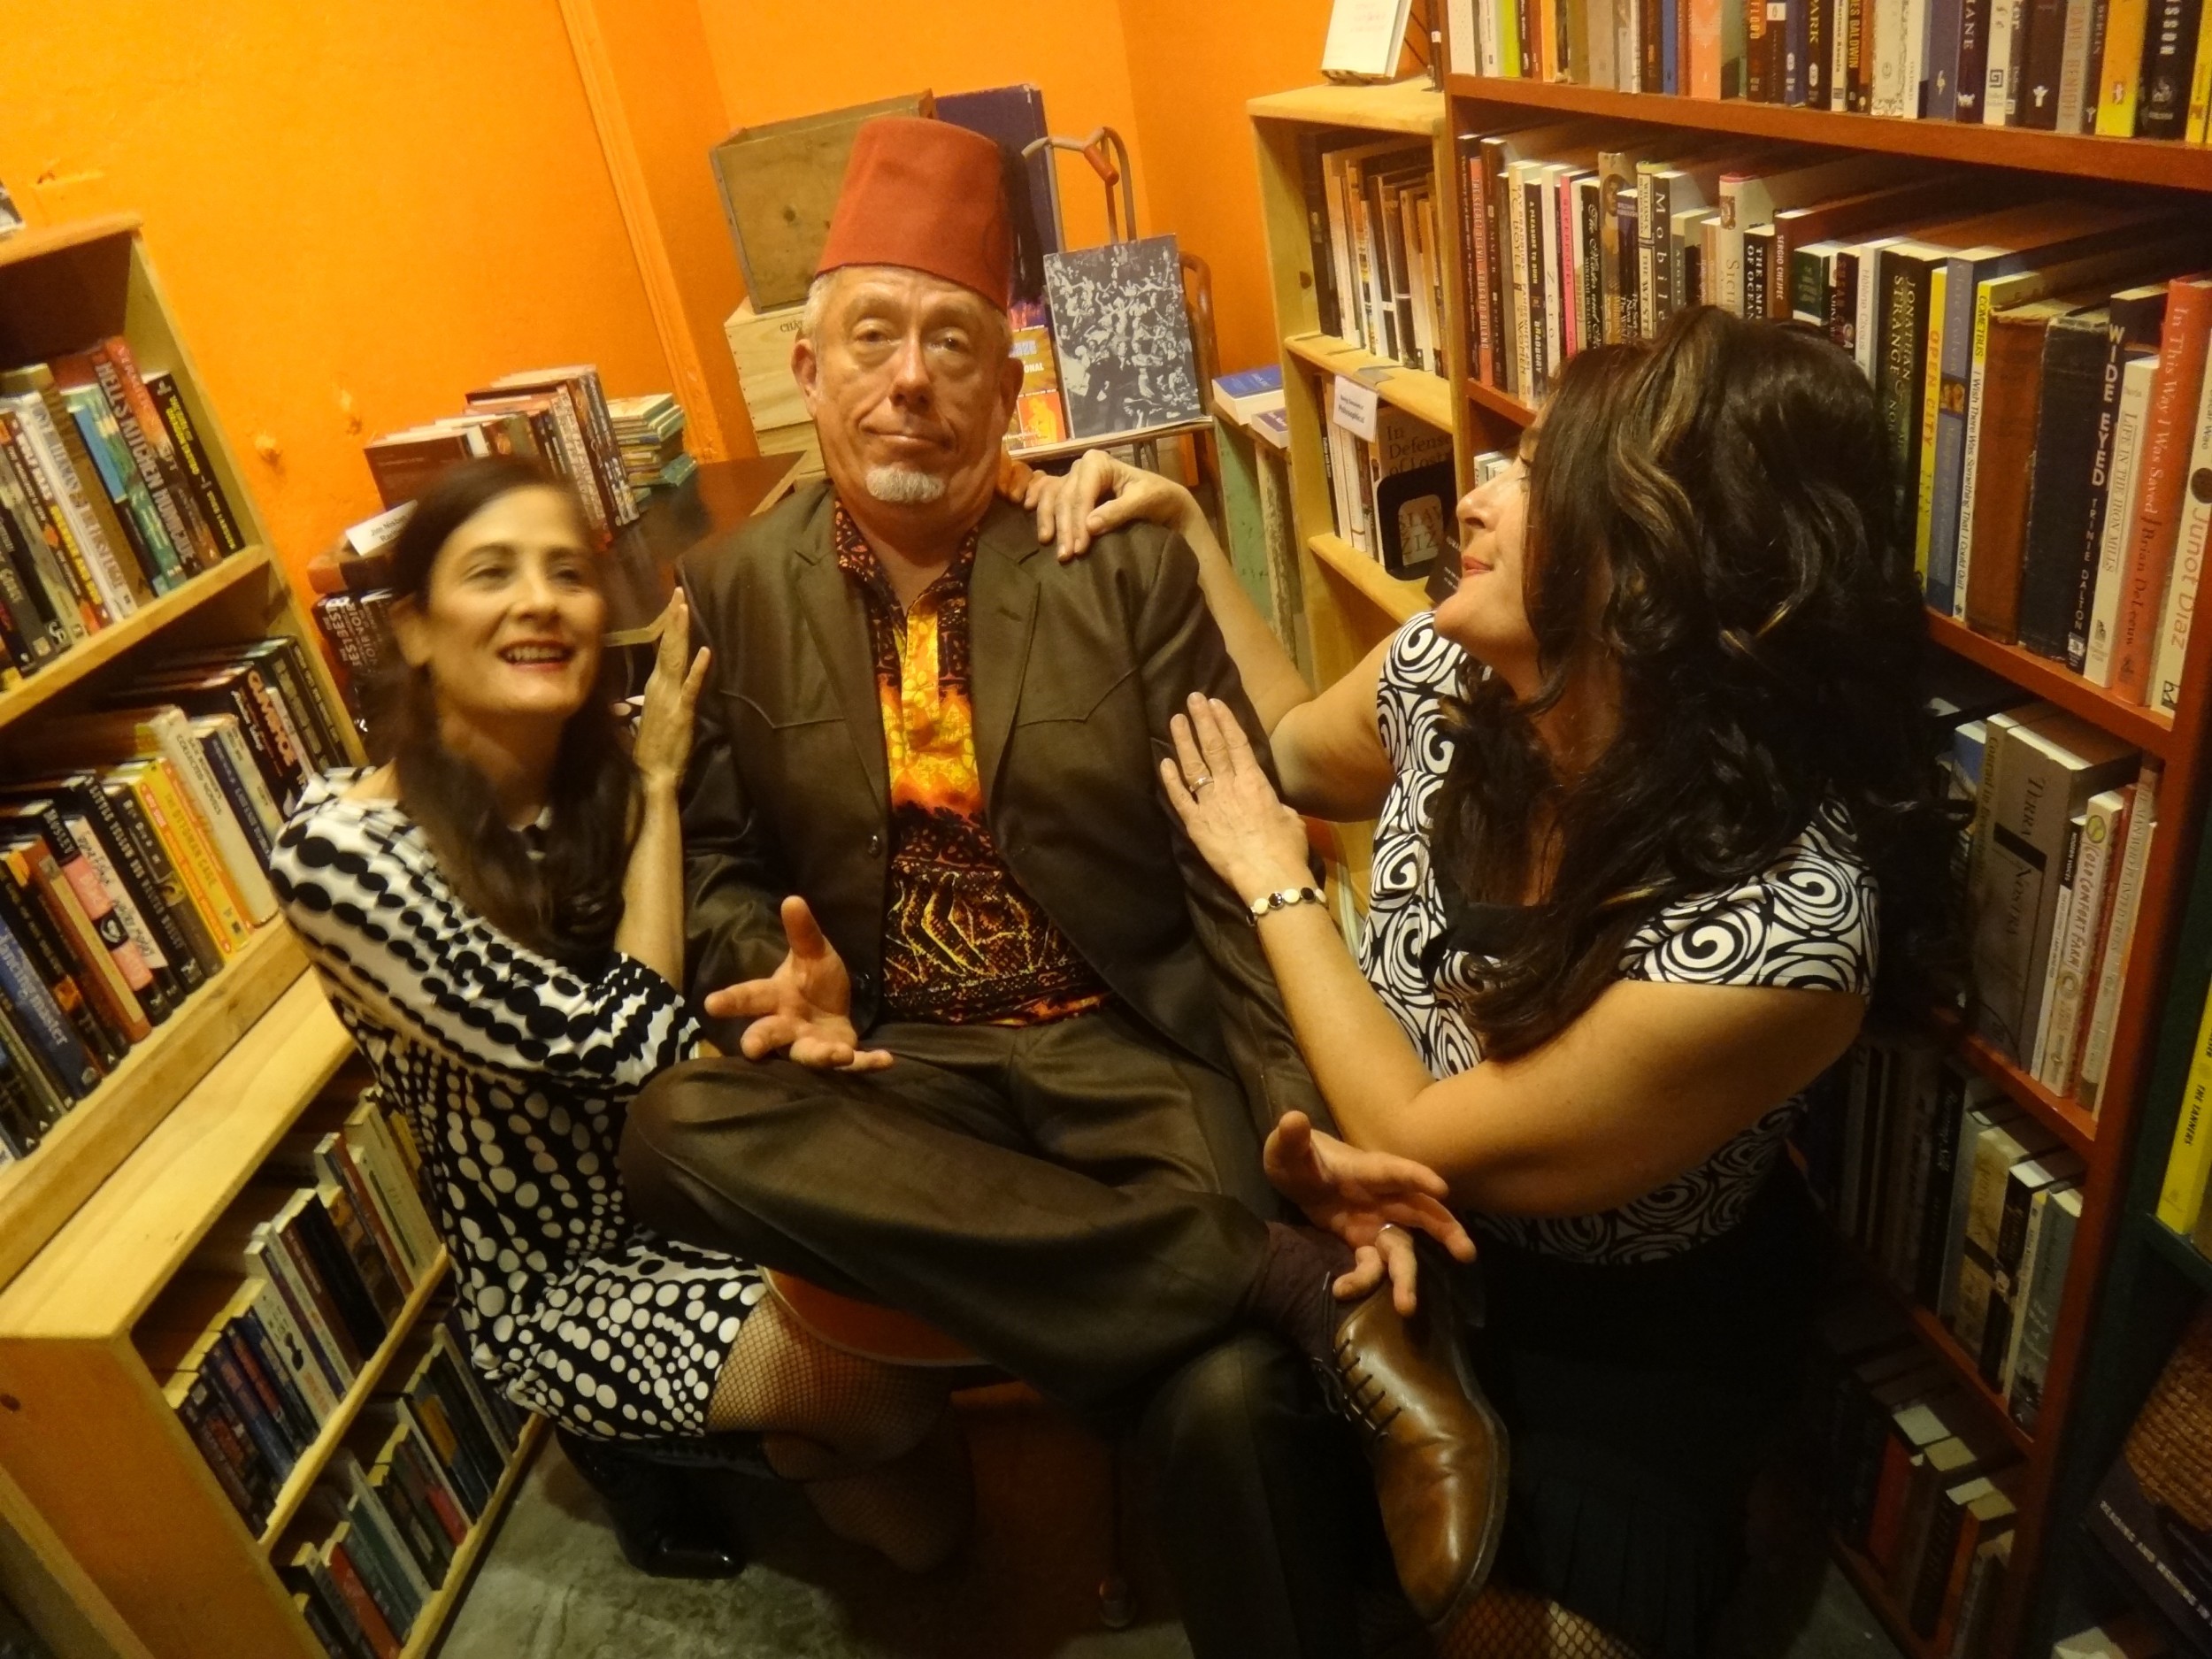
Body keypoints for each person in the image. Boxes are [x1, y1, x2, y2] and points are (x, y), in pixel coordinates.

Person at [617, 114, 1504, 1655]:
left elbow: (1231, 860)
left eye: (952, 343)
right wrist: (780, 967)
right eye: (872, 337)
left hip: (1126, 1044)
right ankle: (1286, 1286)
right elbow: (727, 860)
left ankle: (1246, 1315)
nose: (911, 379)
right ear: (808, 370)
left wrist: (1294, 1112)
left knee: (1222, 1395)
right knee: (672, 1128)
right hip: (901, 1066)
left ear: (1007, 386)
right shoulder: (730, 588)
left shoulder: (1117, 564)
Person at [1032, 310, 1955, 1658]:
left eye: (1536, 473)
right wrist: (1188, 539)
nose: (1475, 494)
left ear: (1657, 560)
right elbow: (1286, 747)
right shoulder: (1454, 669)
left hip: (1613, 1323)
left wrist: (1278, 883)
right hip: (1364, 1227)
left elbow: (1412, 1127)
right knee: (1226, 1442)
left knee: (1507, 1630)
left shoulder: (1783, 931)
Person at [269, 456, 972, 1582]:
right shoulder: (341, 858)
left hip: (710, 1184)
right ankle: (643, 1442)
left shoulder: (599, 761)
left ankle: (781, 1436)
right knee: (882, 1394)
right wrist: (654, 792)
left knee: (931, 1494)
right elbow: (631, 1048)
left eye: (566, 572)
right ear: (412, 628)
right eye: (491, 573)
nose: (539, 601)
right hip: (568, 1273)